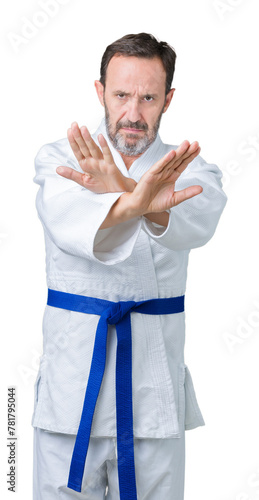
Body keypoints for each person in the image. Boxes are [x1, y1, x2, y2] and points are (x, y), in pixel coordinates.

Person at [32, 33, 227, 500]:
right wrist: (139, 198)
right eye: (121, 95)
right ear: (100, 92)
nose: (133, 113)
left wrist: (120, 190)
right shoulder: (60, 158)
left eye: (148, 97)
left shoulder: (190, 170)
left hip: (152, 391)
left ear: (168, 100)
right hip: (71, 382)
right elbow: (70, 226)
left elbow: (197, 224)